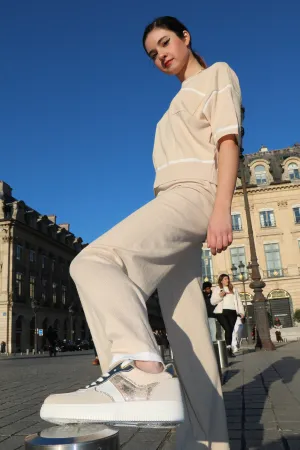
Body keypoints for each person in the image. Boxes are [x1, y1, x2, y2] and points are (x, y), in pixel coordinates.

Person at [40, 16, 241, 449]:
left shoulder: (217, 75)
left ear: (186, 37)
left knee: (94, 261)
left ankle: (139, 373)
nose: (161, 54)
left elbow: (228, 141)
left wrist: (221, 208)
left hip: (194, 195)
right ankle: (207, 444)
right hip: (170, 200)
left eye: (166, 42)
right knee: (189, 340)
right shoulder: (171, 107)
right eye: (153, 53)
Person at [211, 274, 245, 357]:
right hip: (221, 312)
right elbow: (212, 302)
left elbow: (238, 301)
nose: (227, 280)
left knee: (230, 330)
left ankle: (229, 349)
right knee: (227, 328)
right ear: (221, 280)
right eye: (225, 279)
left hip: (232, 312)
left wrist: (241, 312)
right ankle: (228, 348)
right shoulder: (217, 288)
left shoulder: (233, 289)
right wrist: (220, 296)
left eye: (228, 279)